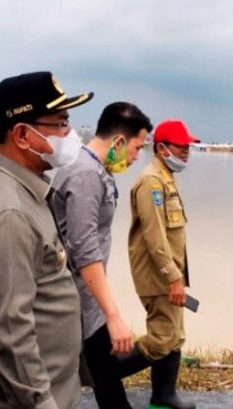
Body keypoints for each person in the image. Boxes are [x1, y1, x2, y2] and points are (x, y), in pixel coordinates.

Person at [0, 71, 91, 409]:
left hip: (50, 389)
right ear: (22, 135)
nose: (69, 133)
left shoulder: (26, 188)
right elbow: (12, 335)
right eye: (59, 123)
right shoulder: (7, 212)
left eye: (68, 120)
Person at [51, 102, 153, 408]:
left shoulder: (94, 169)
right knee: (103, 384)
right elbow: (85, 251)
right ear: (119, 142)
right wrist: (114, 316)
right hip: (77, 303)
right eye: (137, 147)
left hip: (86, 301)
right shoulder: (86, 175)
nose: (137, 157)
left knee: (104, 382)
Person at [126, 119, 200, 409]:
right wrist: (172, 277)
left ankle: (164, 396)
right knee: (161, 339)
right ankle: (104, 374)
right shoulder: (151, 182)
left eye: (188, 148)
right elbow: (155, 237)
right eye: (181, 148)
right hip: (158, 277)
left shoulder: (166, 177)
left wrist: (177, 276)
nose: (186, 153)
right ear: (161, 148)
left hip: (171, 275)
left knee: (175, 336)